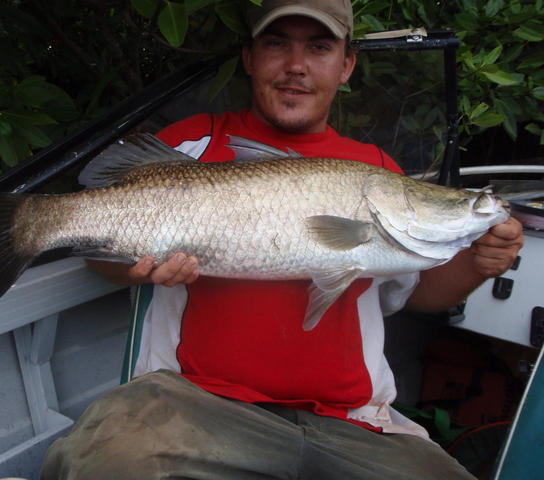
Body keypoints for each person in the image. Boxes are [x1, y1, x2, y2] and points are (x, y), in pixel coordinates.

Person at [40, 0, 524, 478]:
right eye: (276, 44)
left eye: (318, 47)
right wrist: (131, 266)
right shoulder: (189, 145)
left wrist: (479, 263)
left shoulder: (377, 170)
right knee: (104, 462)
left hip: (353, 422)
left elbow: (418, 292)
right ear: (250, 58)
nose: (296, 67)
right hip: (194, 407)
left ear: (346, 65)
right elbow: (97, 246)